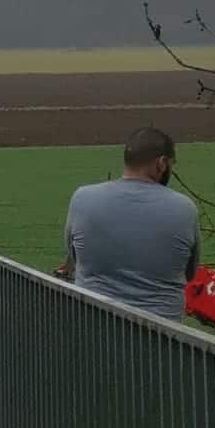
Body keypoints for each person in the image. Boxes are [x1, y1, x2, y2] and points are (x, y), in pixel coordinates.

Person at [59, 126, 201, 321]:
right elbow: (190, 272)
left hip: (92, 325)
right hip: (161, 337)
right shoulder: (185, 208)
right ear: (162, 163)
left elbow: (74, 256)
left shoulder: (82, 198)